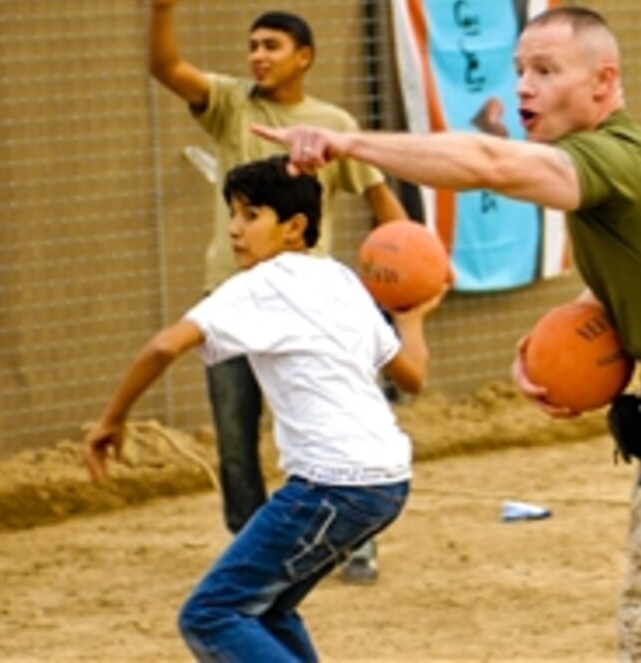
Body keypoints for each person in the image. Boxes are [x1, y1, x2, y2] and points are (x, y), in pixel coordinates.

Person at [254, 6, 641, 661]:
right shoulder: (604, 167)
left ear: (604, 81)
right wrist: (552, 349)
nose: (523, 87)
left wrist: (346, 144)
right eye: (519, 70)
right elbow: (620, 285)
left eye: (546, 70)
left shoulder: (612, 157)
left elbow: (486, 161)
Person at [83, 156, 443, 660]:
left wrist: (112, 419)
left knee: (210, 615)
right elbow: (413, 376)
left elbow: (164, 347)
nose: (234, 230)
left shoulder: (257, 286)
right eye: (232, 214)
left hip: (332, 486)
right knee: (267, 610)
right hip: (386, 481)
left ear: (295, 228)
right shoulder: (341, 279)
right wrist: (413, 316)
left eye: (251, 215)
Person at [149, 0, 405, 581]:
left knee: (334, 417)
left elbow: (381, 201)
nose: (257, 55)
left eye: (271, 45)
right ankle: (250, 544)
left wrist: (413, 260)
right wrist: (163, 5)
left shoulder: (333, 126)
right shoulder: (232, 105)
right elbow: (165, 67)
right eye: (251, 46)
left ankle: (354, 540)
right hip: (233, 296)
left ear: (304, 56)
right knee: (235, 436)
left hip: (312, 306)